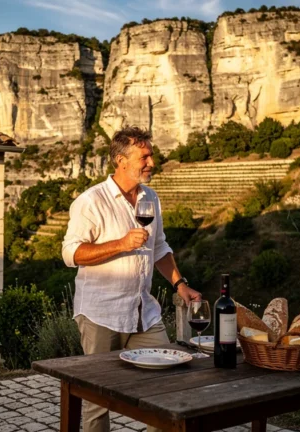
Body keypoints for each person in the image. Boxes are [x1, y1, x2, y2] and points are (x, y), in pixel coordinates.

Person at [61, 126, 201, 432]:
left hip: (143, 312)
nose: (152, 162)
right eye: (145, 156)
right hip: (100, 313)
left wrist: (180, 284)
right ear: (121, 161)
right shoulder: (91, 201)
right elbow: (70, 253)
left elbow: (159, 246)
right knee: (98, 400)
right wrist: (121, 244)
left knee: (167, 384)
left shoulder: (150, 198)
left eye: (151, 154)